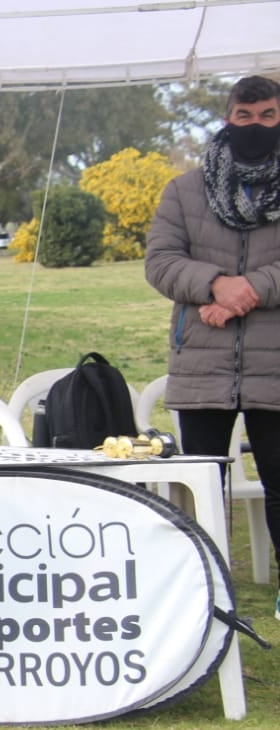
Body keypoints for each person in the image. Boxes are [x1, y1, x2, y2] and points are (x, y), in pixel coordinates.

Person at [145, 74, 280, 613]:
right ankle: (204, 588)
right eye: (245, 117)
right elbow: (160, 262)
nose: (256, 126)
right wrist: (215, 284)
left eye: (268, 116)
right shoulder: (183, 190)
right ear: (227, 119)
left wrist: (252, 289)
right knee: (203, 483)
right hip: (201, 364)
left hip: (275, 366)